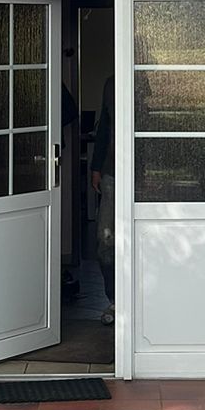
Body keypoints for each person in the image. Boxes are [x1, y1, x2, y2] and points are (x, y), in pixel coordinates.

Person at [90, 73, 115, 325]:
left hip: (141, 173)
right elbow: (104, 128)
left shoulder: (145, 80)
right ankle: (114, 300)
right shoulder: (111, 83)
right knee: (105, 240)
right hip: (111, 174)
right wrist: (96, 167)